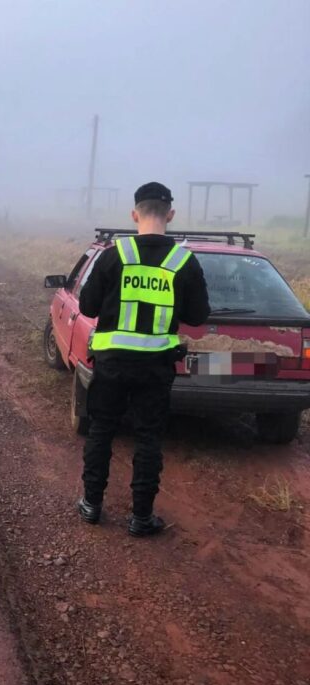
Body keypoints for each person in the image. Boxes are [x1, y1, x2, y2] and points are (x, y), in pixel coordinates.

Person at [77, 182, 210, 537]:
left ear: (134, 214)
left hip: (110, 364)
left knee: (102, 431)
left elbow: (87, 306)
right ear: (170, 215)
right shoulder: (183, 261)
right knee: (148, 438)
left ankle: (91, 505)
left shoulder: (112, 255)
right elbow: (198, 316)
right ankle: (141, 517)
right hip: (155, 368)